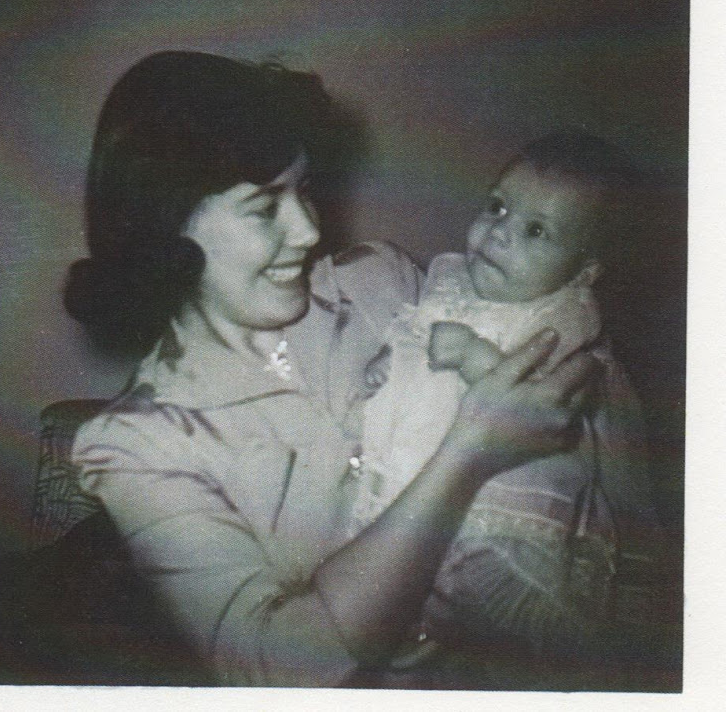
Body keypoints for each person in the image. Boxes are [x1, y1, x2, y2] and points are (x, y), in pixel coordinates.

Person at [67, 52, 596, 688]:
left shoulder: (383, 283)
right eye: (265, 207)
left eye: (304, 191)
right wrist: (469, 452)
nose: (308, 230)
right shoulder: (138, 445)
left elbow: (578, 379)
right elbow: (275, 665)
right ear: (166, 228)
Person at [353, 132, 667, 688]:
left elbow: (542, 404)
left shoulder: (563, 320)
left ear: (584, 272)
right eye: (497, 207)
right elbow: (415, 332)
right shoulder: (450, 281)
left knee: (514, 629)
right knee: (390, 578)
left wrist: (476, 357)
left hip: (504, 521)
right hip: (419, 491)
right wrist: (390, 359)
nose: (499, 231)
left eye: (535, 231)